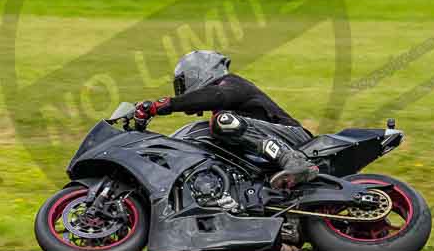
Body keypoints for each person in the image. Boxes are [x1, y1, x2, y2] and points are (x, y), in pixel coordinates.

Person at [134, 50, 319, 189]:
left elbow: (216, 96)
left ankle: (293, 161)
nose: (182, 90)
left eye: (182, 83)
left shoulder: (231, 83)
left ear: (197, 73)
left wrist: (164, 105)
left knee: (222, 121)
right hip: (272, 142)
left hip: (294, 138)